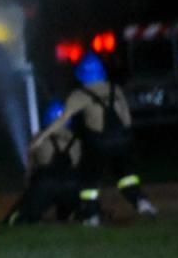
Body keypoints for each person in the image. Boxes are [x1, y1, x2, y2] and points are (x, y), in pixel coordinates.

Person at [29, 53, 155, 226]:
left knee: (89, 180)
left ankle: (91, 215)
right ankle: (141, 202)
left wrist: (41, 137)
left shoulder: (80, 95)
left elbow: (62, 120)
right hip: (123, 140)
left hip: (99, 143)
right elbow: (126, 118)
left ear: (81, 75)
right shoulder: (114, 89)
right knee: (126, 175)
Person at [4, 100, 82, 225]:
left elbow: (31, 165)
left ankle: (30, 217)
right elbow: (76, 165)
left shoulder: (39, 137)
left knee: (18, 218)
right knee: (70, 214)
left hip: (46, 182)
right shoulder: (76, 140)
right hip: (71, 183)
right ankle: (72, 215)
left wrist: (30, 185)